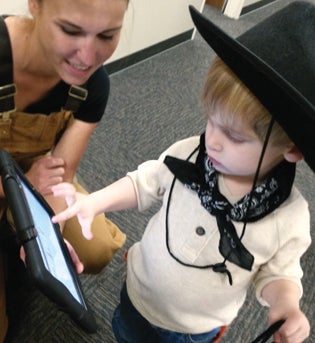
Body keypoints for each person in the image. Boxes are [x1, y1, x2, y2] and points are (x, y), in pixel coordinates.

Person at [52, 2, 314, 343]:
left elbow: (280, 274)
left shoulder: (288, 217)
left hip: (193, 329)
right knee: (126, 333)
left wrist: (287, 305)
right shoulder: (190, 152)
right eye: (211, 121)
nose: (213, 142)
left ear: (292, 149)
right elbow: (145, 182)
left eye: (234, 136)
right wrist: (94, 202)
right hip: (139, 292)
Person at [0, 0, 129, 341]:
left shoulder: (93, 85)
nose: (87, 57)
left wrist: (45, 239)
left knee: (95, 247)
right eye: (70, 31)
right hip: (23, 180)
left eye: (107, 35)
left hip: (34, 176)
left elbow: (61, 173)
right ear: (35, 6)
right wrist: (21, 184)